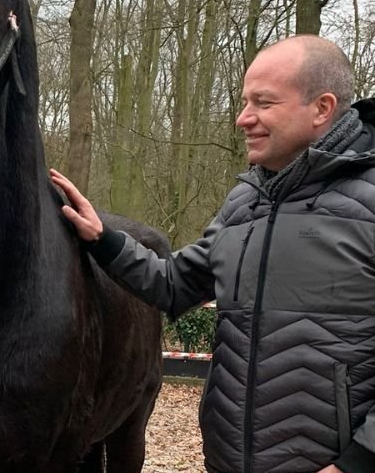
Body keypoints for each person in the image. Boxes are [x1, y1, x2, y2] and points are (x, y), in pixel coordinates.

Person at [51, 34, 375, 473]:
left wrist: (357, 462)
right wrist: (102, 238)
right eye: (244, 102)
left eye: (263, 103)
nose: (244, 119)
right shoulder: (244, 203)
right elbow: (173, 284)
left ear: (322, 108)